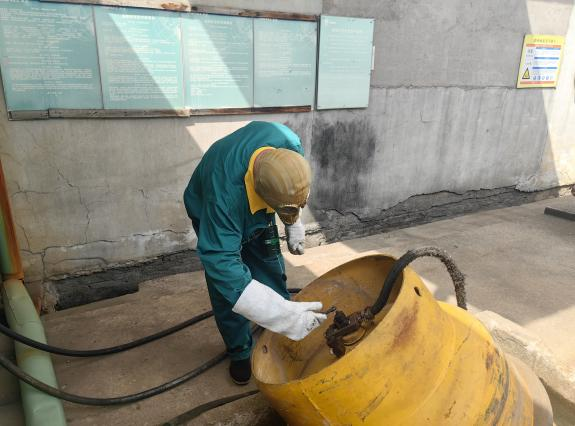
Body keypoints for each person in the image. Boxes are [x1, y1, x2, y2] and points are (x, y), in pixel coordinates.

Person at [183, 121, 326, 385]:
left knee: (270, 266)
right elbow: (221, 263)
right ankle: (239, 351)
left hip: (258, 203)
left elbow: (292, 186)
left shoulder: (289, 145)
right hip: (211, 205)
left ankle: (280, 334)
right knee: (227, 288)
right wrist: (277, 315)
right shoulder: (223, 200)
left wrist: (293, 220)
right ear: (260, 192)